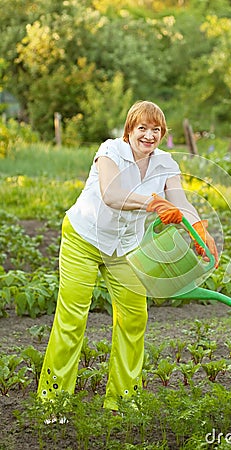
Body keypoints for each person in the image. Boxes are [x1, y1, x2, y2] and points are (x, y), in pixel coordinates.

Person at [37, 100, 218, 414]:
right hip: (85, 237)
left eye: (156, 130)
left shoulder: (165, 164)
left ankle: (123, 399)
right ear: (130, 130)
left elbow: (180, 200)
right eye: (142, 128)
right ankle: (53, 401)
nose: (149, 136)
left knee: (134, 317)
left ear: (162, 134)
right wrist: (152, 203)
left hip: (124, 248)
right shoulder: (111, 152)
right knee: (72, 317)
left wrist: (200, 229)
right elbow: (111, 195)